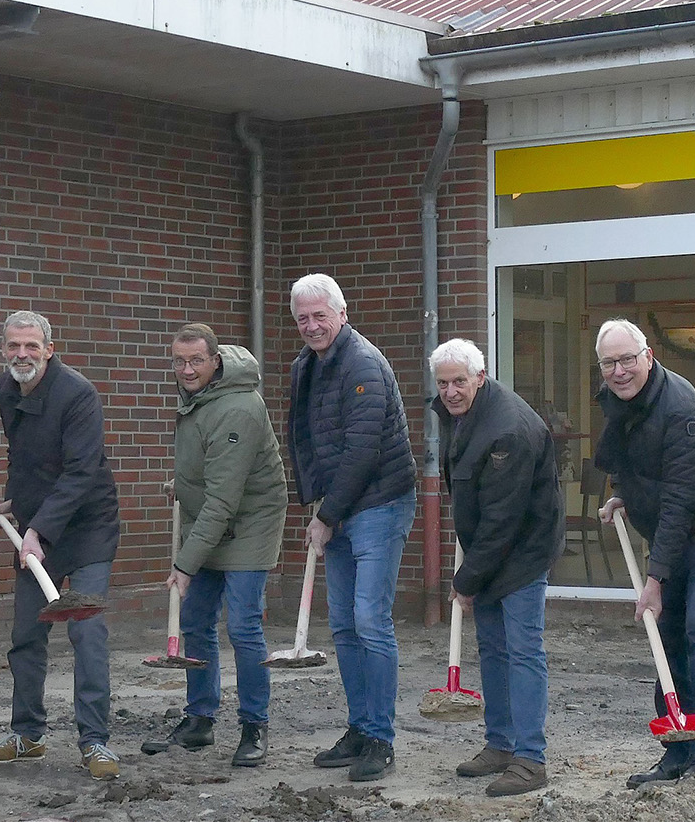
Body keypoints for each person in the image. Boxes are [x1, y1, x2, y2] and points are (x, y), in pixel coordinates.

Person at [591, 319, 695, 787]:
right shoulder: (617, 398)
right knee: (668, 632)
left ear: (648, 357)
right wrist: (626, 495)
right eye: (609, 363)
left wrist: (655, 580)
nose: (619, 371)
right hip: (670, 528)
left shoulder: (679, 406)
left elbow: (682, 497)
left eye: (627, 360)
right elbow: (627, 458)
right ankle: (675, 748)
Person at [0, 311, 123, 780]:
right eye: (13, 347)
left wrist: (38, 530)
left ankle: (95, 742)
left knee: (86, 632)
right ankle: (28, 735)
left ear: (49, 349)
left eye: (31, 346)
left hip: (87, 527)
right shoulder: (5, 388)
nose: (22, 355)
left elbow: (81, 471)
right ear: (4, 351)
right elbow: (24, 459)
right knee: (26, 632)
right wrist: (13, 504)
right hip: (36, 526)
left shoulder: (77, 394)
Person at [285, 273, 418, 781]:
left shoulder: (362, 363)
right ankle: (359, 727)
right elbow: (303, 438)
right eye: (303, 319)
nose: (313, 326)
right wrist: (313, 503)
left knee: (369, 620)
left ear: (342, 313)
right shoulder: (306, 365)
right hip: (338, 506)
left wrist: (327, 515)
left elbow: (363, 452)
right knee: (342, 624)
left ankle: (380, 739)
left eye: (321, 315)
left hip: (380, 503)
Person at [141, 324, 288, 769]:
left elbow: (226, 495)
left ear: (216, 361)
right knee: (195, 618)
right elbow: (209, 468)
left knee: (242, 624)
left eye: (196, 361)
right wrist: (182, 484)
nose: (187, 369)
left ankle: (253, 725)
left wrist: (184, 565)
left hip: (249, 523)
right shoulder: (198, 397)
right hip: (213, 516)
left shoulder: (238, 408)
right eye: (179, 361)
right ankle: (200, 719)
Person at [433, 338, 564, 798]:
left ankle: (530, 759)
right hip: (489, 551)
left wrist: (467, 580)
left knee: (523, 650)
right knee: (493, 648)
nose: (450, 392)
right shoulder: (461, 416)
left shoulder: (507, 429)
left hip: (522, 551)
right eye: (444, 383)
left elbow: (504, 517)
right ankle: (500, 745)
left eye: (459, 382)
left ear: (481, 377)